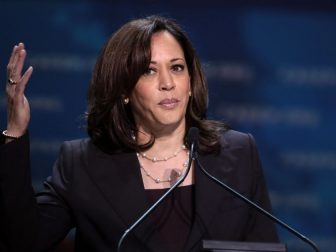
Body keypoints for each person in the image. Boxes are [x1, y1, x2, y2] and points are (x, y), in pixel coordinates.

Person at [0, 16, 278, 252]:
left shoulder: (238, 153)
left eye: (177, 68)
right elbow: (26, 240)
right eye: (148, 71)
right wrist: (15, 131)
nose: (167, 83)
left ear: (191, 82)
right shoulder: (82, 164)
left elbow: (262, 245)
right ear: (123, 90)